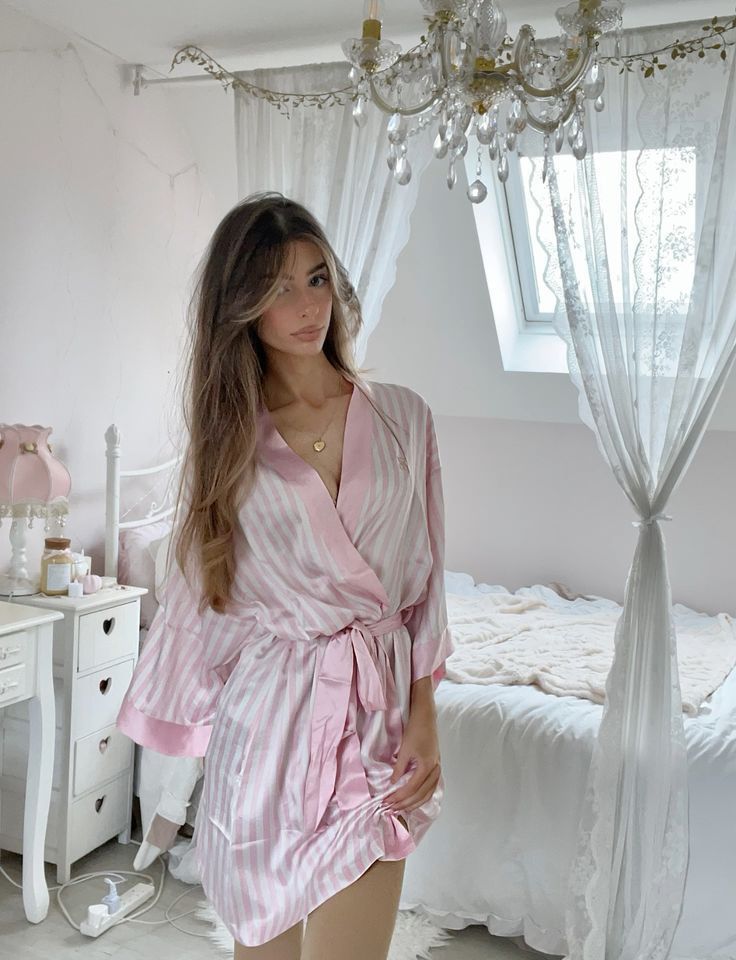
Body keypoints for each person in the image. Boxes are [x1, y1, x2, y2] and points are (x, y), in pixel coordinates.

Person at [116, 192, 454, 960]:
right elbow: (205, 602)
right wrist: (175, 739)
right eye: (277, 288)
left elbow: (428, 582)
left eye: (316, 278)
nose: (307, 307)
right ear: (241, 307)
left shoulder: (405, 419)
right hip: (266, 737)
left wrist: (425, 714)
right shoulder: (229, 447)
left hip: (376, 725)